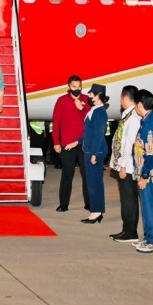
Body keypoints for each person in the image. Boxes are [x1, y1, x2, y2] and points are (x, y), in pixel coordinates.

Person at [51, 75, 91, 212]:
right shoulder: (62, 101)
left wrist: (82, 108)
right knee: (67, 174)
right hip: (67, 144)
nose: (77, 89)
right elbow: (56, 122)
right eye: (74, 87)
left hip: (84, 143)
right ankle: (64, 204)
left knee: (87, 174)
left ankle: (89, 203)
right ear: (68, 87)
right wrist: (56, 141)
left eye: (79, 87)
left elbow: (92, 118)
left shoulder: (86, 99)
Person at [132, 89, 153, 253]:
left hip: (149, 174)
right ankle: (149, 237)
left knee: (149, 206)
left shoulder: (150, 122)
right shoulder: (149, 118)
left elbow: (151, 152)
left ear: (139, 104)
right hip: (146, 171)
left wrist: (144, 175)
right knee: (147, 205)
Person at [108, 85, 142, 242]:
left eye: (121, 97)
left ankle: (130, 232)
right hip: (124, 164)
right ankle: (126, 229)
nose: (120, 100)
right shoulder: (128, 115)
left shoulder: (133, 117)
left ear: (125, 98)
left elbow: (130, 144)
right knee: (125, 198)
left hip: (127, 166)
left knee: (129, 199)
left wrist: (123, 165)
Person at [81, 84, 110, 224]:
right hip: (91, 150)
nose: (89, 96)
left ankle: (97, 212)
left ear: (98, 95)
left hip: (95, 151)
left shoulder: (99, 112)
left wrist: (93, 154)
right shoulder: (94, 110)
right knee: (92, 182)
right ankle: (95, 210)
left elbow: (99, 134)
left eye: (91, 94)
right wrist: (76, 142)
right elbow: (89, 133)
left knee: (95, 183)